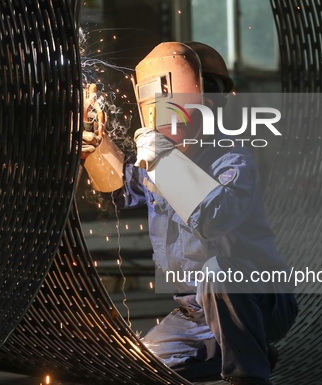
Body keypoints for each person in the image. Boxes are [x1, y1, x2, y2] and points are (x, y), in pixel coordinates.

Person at [83, 42, 298, 385]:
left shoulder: (231, 157)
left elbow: (215, 218)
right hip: (195, 314)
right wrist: (96, 146)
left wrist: (164, 162)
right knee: (136, 369)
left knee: (219, 272)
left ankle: (249, 375)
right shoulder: (159, 159)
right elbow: (119, 190)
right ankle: (243, 351)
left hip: (258, 301)